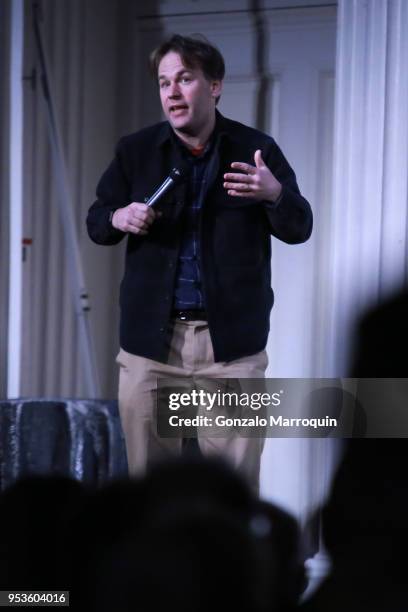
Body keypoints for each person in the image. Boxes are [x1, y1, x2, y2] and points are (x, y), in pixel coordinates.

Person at [86, 34, 312, 491]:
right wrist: (119, 215)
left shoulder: (255, 150)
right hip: (152, 348)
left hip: (229, 351)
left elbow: (299, 226)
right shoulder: (136, 151)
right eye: (164, 82)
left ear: (214, 86)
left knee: (232, 493)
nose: (171, 92)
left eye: (185, 79)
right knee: (150, 497)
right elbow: (97, 222)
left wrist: (274, 195)